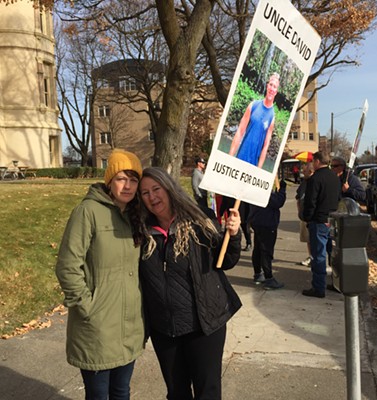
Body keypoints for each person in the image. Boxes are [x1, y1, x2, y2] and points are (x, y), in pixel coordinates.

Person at [138, 167, 242, 400]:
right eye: (145, 193)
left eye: (156, 189)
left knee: (207, 392)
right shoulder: (141, 232)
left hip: (203, 325)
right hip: (165, 329)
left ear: (169, 188)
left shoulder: (199, 219)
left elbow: (225, 261)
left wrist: (233, 235)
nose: (152, 197)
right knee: (176, 394)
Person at [55, 149, 145, 399]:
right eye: (121, 178)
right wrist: (87, 307)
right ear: (109, 180)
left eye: (133, 179)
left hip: (130, 326)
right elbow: (67, 266)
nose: (127, 185)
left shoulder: (135, 216)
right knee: (98, 395)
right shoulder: (88, 212)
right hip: (98, 327)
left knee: (121, 392)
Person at [302, 151, 340, 298]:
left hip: (318, 220)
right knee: (333, 253)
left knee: (318, 255)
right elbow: (338, 198)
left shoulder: (315, 179)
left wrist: (307, 218)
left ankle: (318, 288)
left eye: (313, 161)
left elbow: (310, 202)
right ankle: (337, 283)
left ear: (317, 161)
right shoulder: (334, 177)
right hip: (333, 219)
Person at [229, 72, 280, 168]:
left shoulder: (272, 117)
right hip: (240, 157)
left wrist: (258, 170)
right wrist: (230, 157)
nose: (272, 88)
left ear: (276, 91)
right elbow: (239, 132)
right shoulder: (253, 105)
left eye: (275, 87)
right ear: (267, 86)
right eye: (271, 85)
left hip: (253, 165)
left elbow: (265, 147)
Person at [248, 179, 287, 288]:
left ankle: (257, 274)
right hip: (267, 223)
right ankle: (269, 278)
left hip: (258, 222)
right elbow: (278, 202)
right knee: (266, 251)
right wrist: (282, 190)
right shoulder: (263, 192)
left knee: (258, 250)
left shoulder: (254, 190)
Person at [295, 162, 314, 267]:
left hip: (311, 216)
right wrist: (299, 210)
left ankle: (314, 258)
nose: (303, 173)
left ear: (311, 171)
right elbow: (298, 196)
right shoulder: (304, 183)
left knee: (313, 238)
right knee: (307, 239)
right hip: (303, 215)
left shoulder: (315, 181)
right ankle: (310, 256)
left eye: (304, 171)